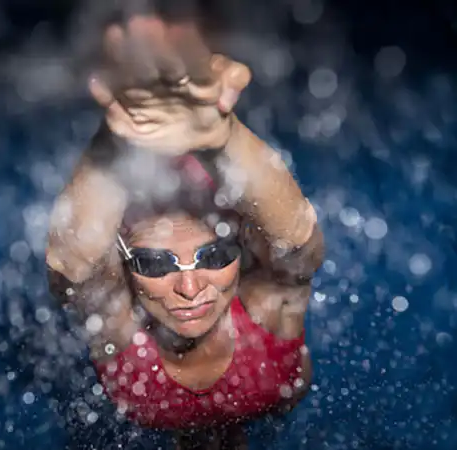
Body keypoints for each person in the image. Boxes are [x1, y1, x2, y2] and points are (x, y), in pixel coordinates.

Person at [45, 12, 324, 450]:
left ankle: (171, 117)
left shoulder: (137, 397)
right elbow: (298, 247)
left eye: (213, 256)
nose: (191, 287)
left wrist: (121, 140)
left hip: (164, 189)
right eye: (156, 263)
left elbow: (74, 268)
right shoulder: (278, 380)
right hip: (206, 184)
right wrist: (219, 138)